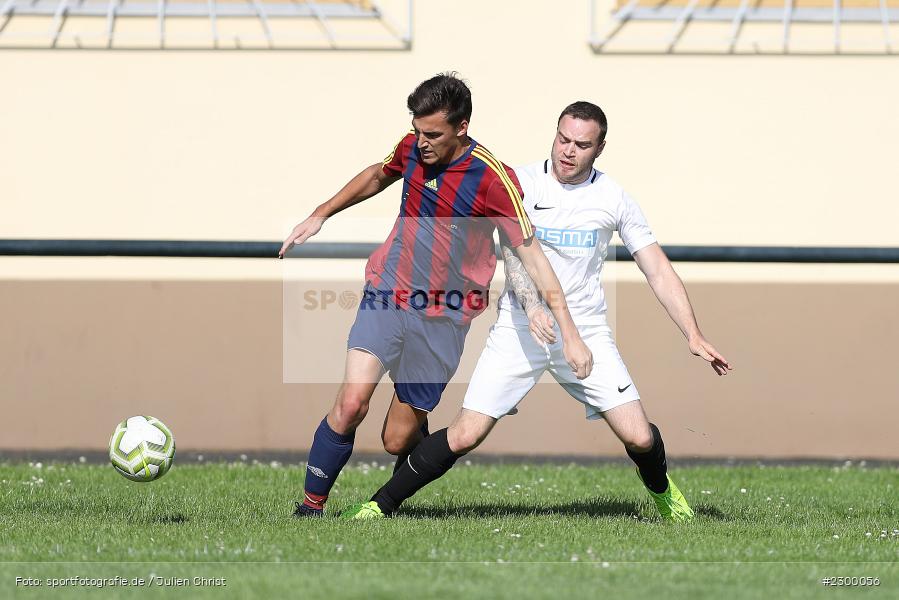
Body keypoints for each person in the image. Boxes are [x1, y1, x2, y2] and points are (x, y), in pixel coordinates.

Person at [341, 101, 732, 522]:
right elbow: (512, 252)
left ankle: (663, 495)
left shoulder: (614, 198)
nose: (568, 151)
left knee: (638, 437)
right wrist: (532, 307)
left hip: (584, 334)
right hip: (519, 328)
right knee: (465, 433)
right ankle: (379, 505)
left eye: (582, 144)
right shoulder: (520, 183)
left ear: (599, 148)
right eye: (563, 139)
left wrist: (692, 333)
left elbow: (657, 268)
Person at [279, 74, 593, 517]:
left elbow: (531, 255)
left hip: (445, 317)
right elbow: (378, 174)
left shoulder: (493, 179)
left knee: (396, 440)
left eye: (433, 134)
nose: (421, 143)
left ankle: (423, 441)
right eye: (416, 131)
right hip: (388, 291)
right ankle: (311, 508)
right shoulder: (413, 147)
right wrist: (320, 215)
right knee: (352, 403)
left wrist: (565, 328)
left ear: (461, 127)